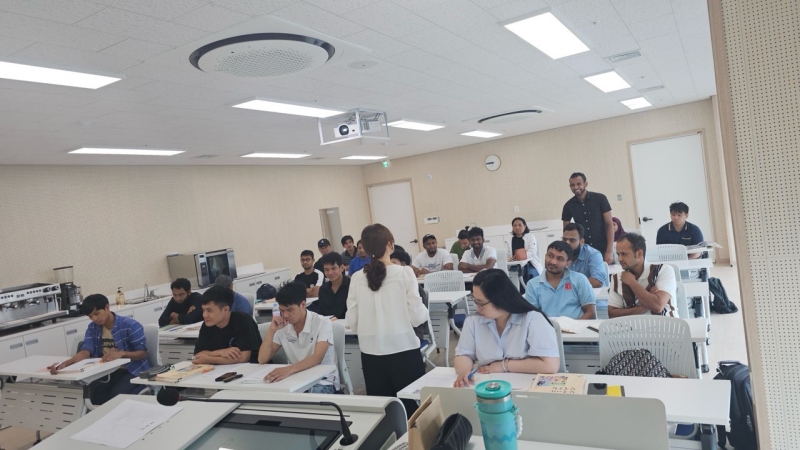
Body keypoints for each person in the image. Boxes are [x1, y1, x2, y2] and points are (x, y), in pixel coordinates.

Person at [345, 224, 428, 417]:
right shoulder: (404, 272)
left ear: (365, 248)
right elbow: (417, 317)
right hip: (404, 350)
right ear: (390, 244)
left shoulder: (356, 278)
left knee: (385, 413)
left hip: (371, 355)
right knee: (414, 412)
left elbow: (353, 321)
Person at [453, 269, 560, 387]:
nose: (477, 308)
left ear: (500, 299)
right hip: (488, 387)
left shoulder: (532, 319)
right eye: (475, 301)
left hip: (527, 386)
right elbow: (463, 354)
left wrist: (504, 366)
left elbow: (550, 365)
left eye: (481, 303)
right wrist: (464, 371)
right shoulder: (473, 321)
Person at [48, 294, 149, 404]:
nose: (94, 319)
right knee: (92, 396)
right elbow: (85, 351)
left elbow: (142, 353)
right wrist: (66, 363)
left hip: (131, 370)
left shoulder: (130, 325)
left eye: (97, 314)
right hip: (106, 371)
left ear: (107, 307)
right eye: (90, 316)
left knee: (115, 397)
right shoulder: (93, 328)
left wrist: (122, 354)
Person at [258, 282, 339, 393]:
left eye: (290, 310)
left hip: (322, 381)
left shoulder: (322, 323)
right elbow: (262, 359)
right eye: (282, 310)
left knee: (303, 401)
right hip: (295, 379)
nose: (285, 315)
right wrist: (271, 330)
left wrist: (288, 370)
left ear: (303, 305)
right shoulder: (283, 326)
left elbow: (317, 357)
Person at [608, 233, 677, 318]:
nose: (619, 259)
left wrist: (632, 282)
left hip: (665, 324)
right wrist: (646, 304)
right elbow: (612, 314)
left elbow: (658, 306)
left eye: (624, 254)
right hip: (632, 326)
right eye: (618, 254)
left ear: (639, 254)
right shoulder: (616, 277)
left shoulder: (663, 270)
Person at [524, 241, 596, 320]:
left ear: (567, 264)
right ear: (545, 256)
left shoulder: (579, 280)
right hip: (547, 327)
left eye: (560, 259)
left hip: (578, 326)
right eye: (550, 256)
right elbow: (532, 317)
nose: (553, 262)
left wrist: (574, 326)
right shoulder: (532, 285)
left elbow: (591, 313)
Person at [193, 286, 262, 364]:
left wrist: (210, 359)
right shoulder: (207, 325)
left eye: (209, 310)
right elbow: (198, 354)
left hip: (251, 367)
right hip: (221, 368)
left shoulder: (243, 320)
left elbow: (244, 357)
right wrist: (220, 352)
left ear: (225, 309)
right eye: (203, 310)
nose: (205, 315)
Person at [561, 172, 614, 264]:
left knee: (604, 272)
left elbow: (609, 224)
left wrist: (609, 251)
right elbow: (566, 232)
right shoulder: (568, 205)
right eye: (572, 185)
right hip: (583, 250)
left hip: (603, 247)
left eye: (579, 184)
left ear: (585, 184)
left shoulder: (600, 199)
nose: (576, 187)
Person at [562, 223, 608, 287]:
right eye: (564, 240)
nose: (567, 243)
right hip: (570, 292)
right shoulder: (560, 255)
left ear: (582, 241)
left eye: (572, 240)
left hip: (594, 292)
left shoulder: (593, 254)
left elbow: (597, 281)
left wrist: (570, 284)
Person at [312, 252, 350, 319]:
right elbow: (321, 312)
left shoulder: (351, 286)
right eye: (326, 270)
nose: (330, 273)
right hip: (328, 324)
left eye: (333, 268)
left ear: (341, 268)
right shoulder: (323, 289)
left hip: (348, 323)